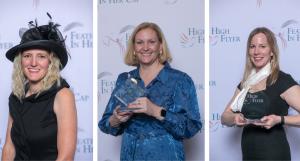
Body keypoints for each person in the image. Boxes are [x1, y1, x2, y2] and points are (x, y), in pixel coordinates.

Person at [98, 22, 202, 161]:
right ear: (134, 48)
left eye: (151, 42)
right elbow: (105, 124)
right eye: (140, 42)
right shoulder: (126, 79)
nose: (145, 47)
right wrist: (116, 119)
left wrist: (156, 111)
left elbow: (192, 127)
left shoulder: (180, 80)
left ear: (160, 46)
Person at [2, 13, 77, 161]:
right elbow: (9, 148)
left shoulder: (62, 95)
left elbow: (66, 156)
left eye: (41, 56)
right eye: (27, 55)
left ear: (51, 61)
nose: (33, 63)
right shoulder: (15, 96)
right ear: (20, 61)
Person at [221, 27, 300, 161]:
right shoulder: (246, 84)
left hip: (274, 155)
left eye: (262, 46)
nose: (256, 52)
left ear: (272, 52)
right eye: (252, 47)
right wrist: (235, 118)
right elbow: (224, 117)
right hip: (249, 155)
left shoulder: (282, 80)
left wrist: (279, 119)